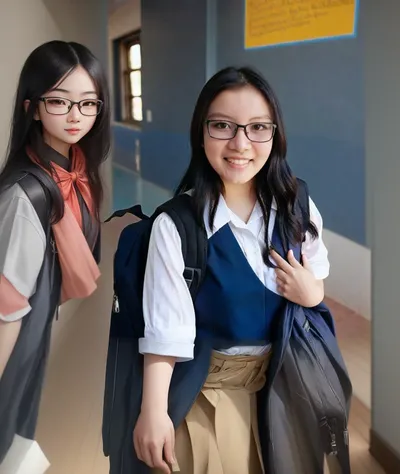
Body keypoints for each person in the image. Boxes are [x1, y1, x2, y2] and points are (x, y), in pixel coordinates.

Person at [133, 66, 333, 474]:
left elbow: (318, 284)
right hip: (209, 393)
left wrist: (309, 293)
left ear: (274, 135)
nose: (241, 143)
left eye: (258, 127)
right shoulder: (177, 225)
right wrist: (153, 412)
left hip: (286, 384)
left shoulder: (297, 206)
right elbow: (164, 332)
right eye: (223, 126)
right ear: (201, 132)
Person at [0, 40, 110, 463]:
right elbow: (7, 308)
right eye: (60, 102)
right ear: (33, 105)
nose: (75, 116)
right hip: (15, 344)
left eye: (87, 103)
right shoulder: (26, 193)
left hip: (35, 333)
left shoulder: (77, 166)